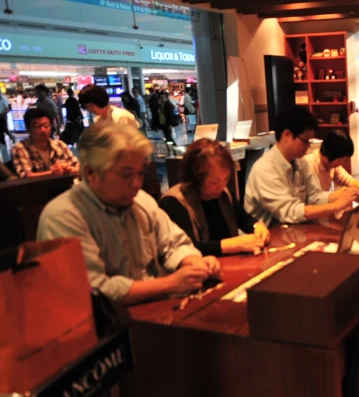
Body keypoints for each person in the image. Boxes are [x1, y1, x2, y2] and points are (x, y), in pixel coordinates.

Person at [37, 122, 221, 304]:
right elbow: (93, 290)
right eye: (126, 175)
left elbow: (174, 243)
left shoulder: (141, 200)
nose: (136, 183)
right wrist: (170, 284)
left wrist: (193, 263)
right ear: (91, 172)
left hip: (158, 312)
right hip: (109, 327)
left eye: (141, 173)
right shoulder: (63, 216)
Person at [244, 106, 359, 226]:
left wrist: (343, 194)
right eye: (305, 140)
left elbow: (314, 196)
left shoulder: (300, 162)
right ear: (287, 135)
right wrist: (335, 206)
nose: (308, 146)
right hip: (265, 235)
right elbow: (290, 212)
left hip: (291, 232)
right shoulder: (265, 169)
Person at [160, 139, 271, 256]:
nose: (222, 186)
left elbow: (245, 220)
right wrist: (232, 245)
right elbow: (185, 247)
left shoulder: (224, 193)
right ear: (196, 178)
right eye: (214, 182)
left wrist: (257, 226)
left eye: (226, 179)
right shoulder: (174, 201)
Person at [301, 130, 359, 200]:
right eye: (344, 159)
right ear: (334, 154)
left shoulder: (332, 166)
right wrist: (341, 194)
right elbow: (314, 198)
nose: (345, 162)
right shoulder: (309, 165)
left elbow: (347, 180)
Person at [11, 108, 79, 178]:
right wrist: (52, 173)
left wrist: (69, 169)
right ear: (27, 128)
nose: (43, 130)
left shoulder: (59, 144)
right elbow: (25, 176)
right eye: (37, 126)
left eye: (46, 125)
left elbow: (77, 165)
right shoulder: (20, 148)